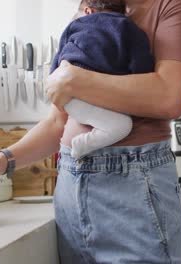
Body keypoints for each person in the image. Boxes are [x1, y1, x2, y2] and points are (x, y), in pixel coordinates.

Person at [0, 0, 181, 263]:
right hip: (69, 189)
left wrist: (73, 79)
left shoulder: (170, 3)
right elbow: (58, 123)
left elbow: (170, 97)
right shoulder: (86, 14)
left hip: (133, 190)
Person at [52, 0, 154, 159]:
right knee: (123, 125)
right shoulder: (130, 28)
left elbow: (57, 62)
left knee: (118, 123)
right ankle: (82, 143)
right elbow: (142, 68)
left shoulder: (73, 26)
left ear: (88, 11)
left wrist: (54, 87)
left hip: (72, 100)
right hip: (105, 95)